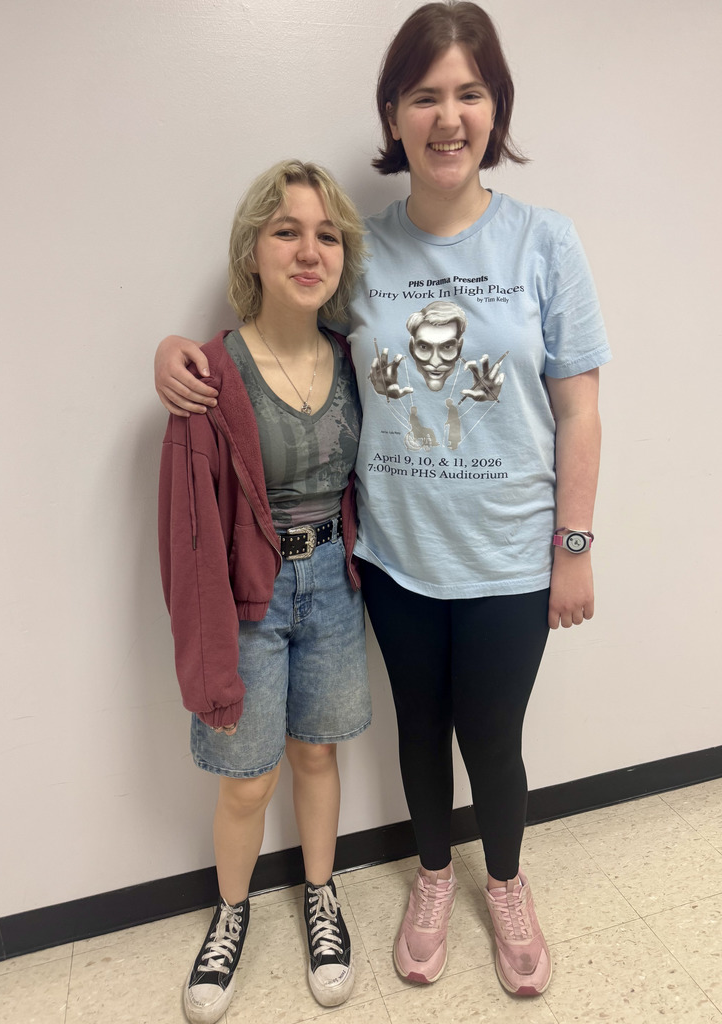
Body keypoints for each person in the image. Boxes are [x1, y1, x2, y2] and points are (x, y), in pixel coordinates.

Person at [155, 1, 611, 1000]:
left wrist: (573, 543)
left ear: (495, 110)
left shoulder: (546, 243)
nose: (448, 116)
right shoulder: (366, 256)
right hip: (394, 561)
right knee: (417, 729)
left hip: (508, 555)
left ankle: (507, 881)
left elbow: (579, 410)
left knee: (492, 738)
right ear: (395, 115)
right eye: (426, 95)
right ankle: (435, 880)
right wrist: (175, 351)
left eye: (469, 93)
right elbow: (283, 329)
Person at [158, 159, 371, 1024]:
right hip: (252, 591)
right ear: (253, 249)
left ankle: (321, 897)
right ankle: (232, 913)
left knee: (318, 752)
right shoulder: (208, 374)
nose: (308, 248)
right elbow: (189, 534)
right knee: (248, 778)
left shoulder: (356, 359)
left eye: (326, 233)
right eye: (288, 230)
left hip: (335, 580)